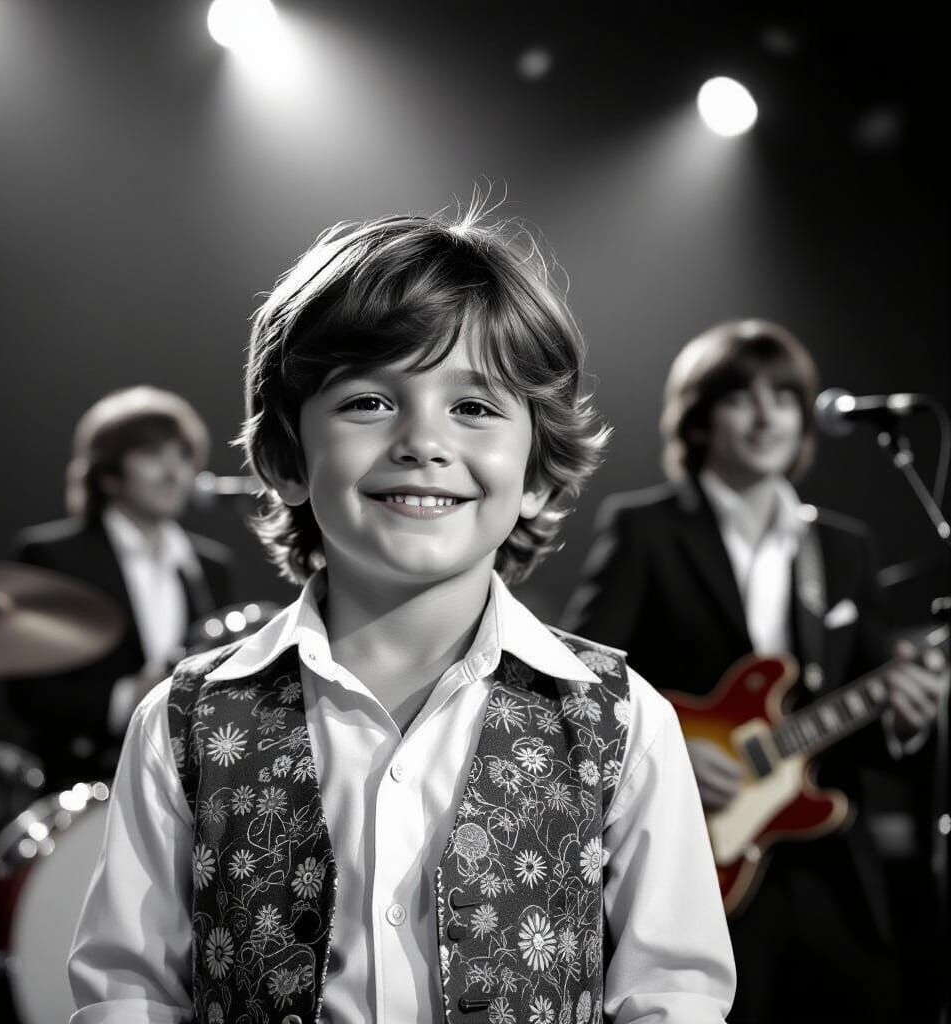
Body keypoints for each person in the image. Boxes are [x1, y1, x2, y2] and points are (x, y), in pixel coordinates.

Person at [68, 206, 736, 1023]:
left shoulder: (622, 719)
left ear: (536, 471)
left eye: (477, 408)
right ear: (284, 458)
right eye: (368, 403)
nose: (423, 441)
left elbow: (673, 996)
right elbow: (127, 994)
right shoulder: (184, 721)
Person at [563, 319, 945, 1024]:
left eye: (785, 396)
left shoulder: (842, 546)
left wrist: (904, 723)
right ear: (700, 420)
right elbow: (579, 682)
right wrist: (672, 748)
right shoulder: (645, 528)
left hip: (831, 863)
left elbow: (867, 707)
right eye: (742, 396)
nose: (767, 414)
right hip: (700, 862)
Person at [11, 386, 233, 788]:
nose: (174, 473)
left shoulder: (210, 567)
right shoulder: (55, 556)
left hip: (182, 784)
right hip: (84, 780)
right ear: (109, 475)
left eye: (183, 457)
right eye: (152, 455)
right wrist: (128, 697)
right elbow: (31, 696)